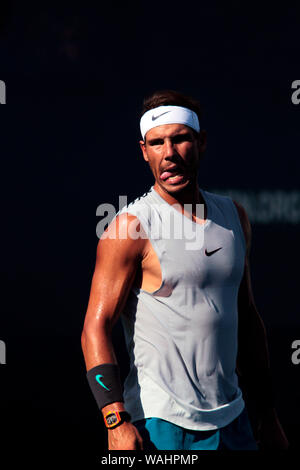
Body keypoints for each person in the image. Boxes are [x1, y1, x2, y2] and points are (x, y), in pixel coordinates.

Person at [81, 90, 289, 451]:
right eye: (157, 143)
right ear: (144, 151)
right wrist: (115, 420)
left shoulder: (234, 216)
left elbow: (246, 317)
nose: (169, 154)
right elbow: (94, 330)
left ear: (201, 142)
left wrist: (267, 416)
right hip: (162, 425)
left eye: (179, 139)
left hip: (235, 420)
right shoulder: (129, 228)